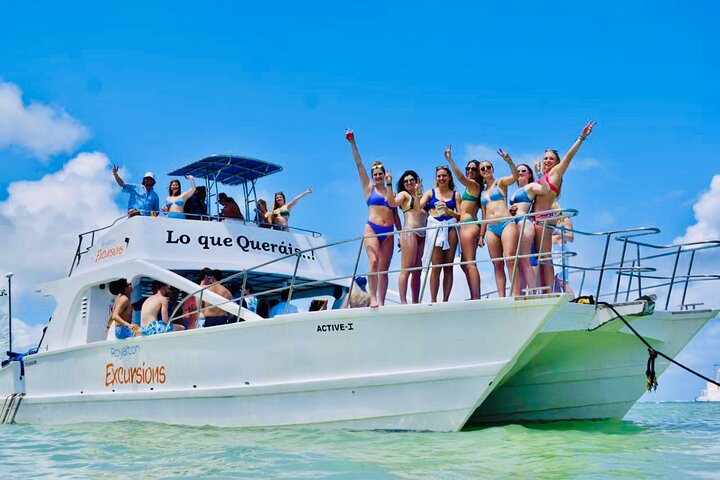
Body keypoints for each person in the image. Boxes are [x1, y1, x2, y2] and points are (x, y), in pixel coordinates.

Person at [533, 121, 596, 290]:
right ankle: (543, 291)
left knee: (545, 258)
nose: (547, 160)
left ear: (557, 162)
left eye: (551, 158)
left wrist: (581, 138)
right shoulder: (542, 177)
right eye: (545, 158)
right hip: (535, 219)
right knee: (537, 258)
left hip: (544, 219)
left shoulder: (556, 173)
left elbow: (569, 156)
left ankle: (548, 292)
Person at [346, 130, 396, 307]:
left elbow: (395, 212)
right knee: (373, 261)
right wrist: (352, 142)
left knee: (384, 269)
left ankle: (381, 301)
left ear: (384, 174)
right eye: (375, 174)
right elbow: (358, 163)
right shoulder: (369, 187)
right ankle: (373, 297)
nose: (377, 176)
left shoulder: (390, 190)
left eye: (380, 173)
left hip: (389, 231)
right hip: (372, 228)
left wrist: (401, 233)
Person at [444, 145, 483, 299]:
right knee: (464, 263)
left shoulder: (474, 185)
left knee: (470, 263)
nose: (470, 171)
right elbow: (461, 214)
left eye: (474, 169)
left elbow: (460, 178)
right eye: (468, 168)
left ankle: (476, 297)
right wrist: (449, 212)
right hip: (465, 225)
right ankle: (474, 295)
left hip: (469, 226)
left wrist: (449, 160)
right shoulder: (470, 188)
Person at [479, 150, 519, 297]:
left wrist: (509, 161)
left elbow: (515, 177)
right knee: (496, 263)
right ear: (480, 173)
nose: (486, 170)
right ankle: (501, 296)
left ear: (492, 169)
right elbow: (483, 215)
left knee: (510, 258)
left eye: (488, 167)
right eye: (482, 169)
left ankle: (515, 293)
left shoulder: (500, 183)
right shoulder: (482, 193)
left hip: (506, 223)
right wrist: (481, 235)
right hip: (490, 228)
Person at [420, 165, 461, 303]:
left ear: (449, 177)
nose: (441, 178)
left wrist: (449, 211)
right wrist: (418, 193)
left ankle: (445, 300)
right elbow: (418, 207)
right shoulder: (430, 193)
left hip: (450, 226)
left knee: (448, 266)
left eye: (444, 176)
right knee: (436, 266)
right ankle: (433, 299)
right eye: (439, 176)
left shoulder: (456, 194)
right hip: (435, 227)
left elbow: (460, 215)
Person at [508, 164, 550, 294]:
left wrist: (539, 173)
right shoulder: (515, 191)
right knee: (517, 260)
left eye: (523, 171)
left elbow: (546, 190)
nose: (520, 173)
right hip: (514, 223)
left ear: (529, 174)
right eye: (518, 171)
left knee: (524, 260)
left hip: (524, 222)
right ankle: (520, 292)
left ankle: (533, 292)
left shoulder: (530, 187)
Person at [394, 170, 427, 304]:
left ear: (417, 181)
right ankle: (403, 302)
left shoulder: (422, 196)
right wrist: (389, 185)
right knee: (407, 268)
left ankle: (415, 301)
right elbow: (393, 203)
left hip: (423, 234)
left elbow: (421, 210)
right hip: (410, 232)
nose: (408, 183)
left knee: (417, 270)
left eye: (411, 180)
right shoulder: (404, 195)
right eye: (405, 181)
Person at [552, 207, 575, 296]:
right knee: (553, 280)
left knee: (561, 280)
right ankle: (558, 301)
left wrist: (559, 232)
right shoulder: (548, 220)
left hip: (559, 250)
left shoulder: (565, 219)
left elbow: (570, 237)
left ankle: (573, 301)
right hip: (550, 250)